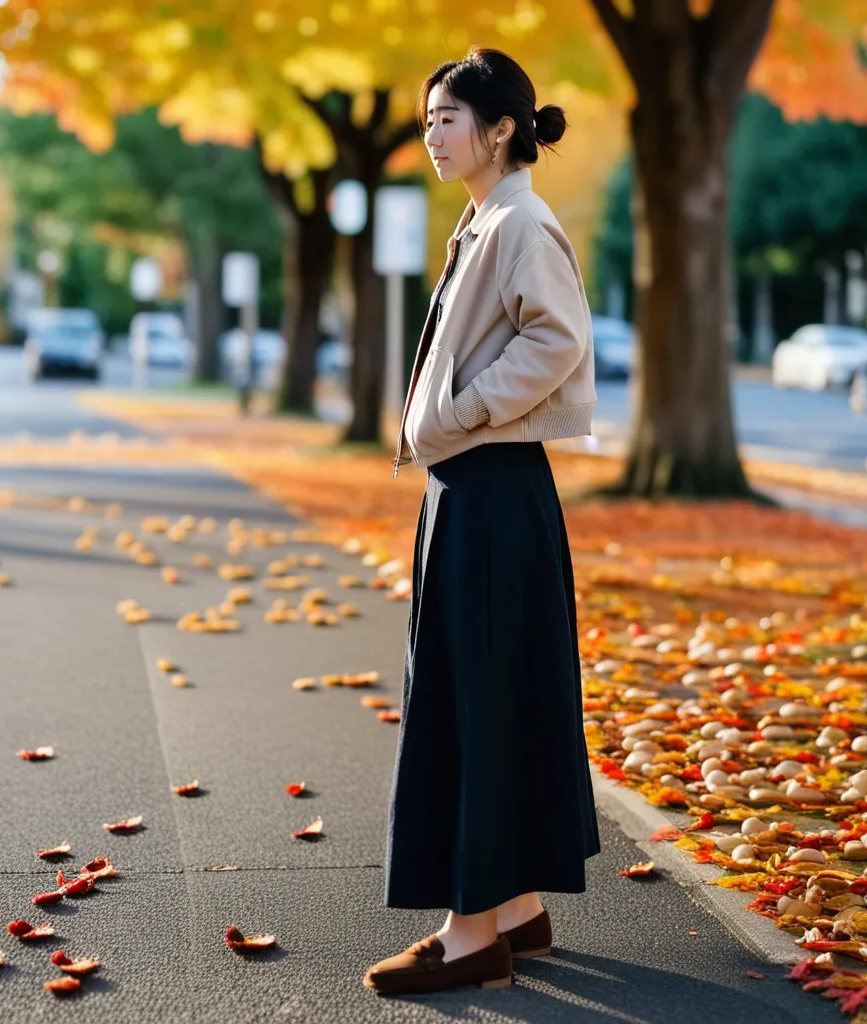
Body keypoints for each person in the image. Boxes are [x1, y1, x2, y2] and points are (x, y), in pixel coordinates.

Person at [364, 46, 602, 997]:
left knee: (476, 701)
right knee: (482, 693)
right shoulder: (485, 219)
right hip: (475, 496)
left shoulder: (521, 222)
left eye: (447, 119)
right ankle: (514, 910)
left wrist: (458, 415)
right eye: (426, 121)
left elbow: (558, 339)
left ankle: (471, 935)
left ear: (500, 127)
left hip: (496, 493)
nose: (432, 135)